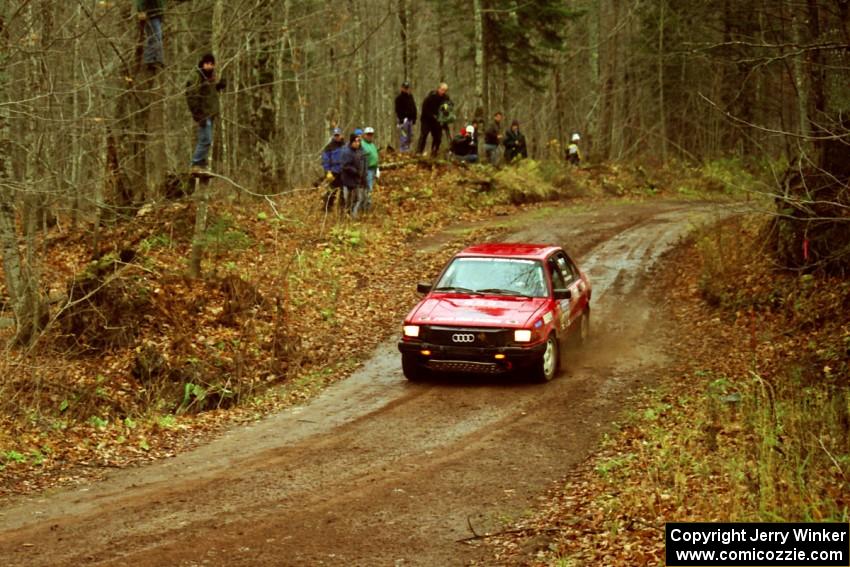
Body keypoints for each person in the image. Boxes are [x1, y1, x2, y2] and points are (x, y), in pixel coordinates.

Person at [186, 53, 226, 174]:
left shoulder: (210, 76)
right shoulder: (196, 76)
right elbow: (191, 95)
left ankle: (201, 165)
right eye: (207, 63)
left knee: (206, 139)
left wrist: (219, 86)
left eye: (212, 64)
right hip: (203, 114)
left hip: (211, 113)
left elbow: (210, 92)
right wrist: (198, 114)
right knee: (206, 139)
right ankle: (195, 163)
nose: (210, 66)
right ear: (202, 64)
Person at [416, 83, 450, 156]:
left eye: (445, 90)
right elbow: (425, 108)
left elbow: (446, 109)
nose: (443, 92)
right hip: (427, 119)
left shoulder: (446, 99)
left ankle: (434, 152)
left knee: (438, 137)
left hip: (437, 121)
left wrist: (444, 118)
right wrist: (432, 116)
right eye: (442, 90)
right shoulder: (431, 97)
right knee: (424, 134)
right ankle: (419, 152)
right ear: (439, 89)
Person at [340, 133, 366, 218]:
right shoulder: (347, 152)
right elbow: (345, 165)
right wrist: (355, 171)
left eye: (359, 141)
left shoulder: (357, 152)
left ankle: (349, 214)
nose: (358, 143)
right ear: (352, 142)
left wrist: (361, 173)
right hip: (348, 179)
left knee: (356, 198)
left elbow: (361, 163)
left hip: (356, 179)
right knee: (352, 198)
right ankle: (347, 214)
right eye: (356, 141)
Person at [321, 127, 345, 211]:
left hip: (343, 171)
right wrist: (328, 171)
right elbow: (325, 160)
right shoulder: (329, 147)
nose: (337, 137)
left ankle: (342, 208)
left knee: (343, 191)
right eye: (336, 135)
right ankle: (327, 207)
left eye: (338, 135)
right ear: (333, 136)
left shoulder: (345, 145)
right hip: (334, 172)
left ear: (341, 135)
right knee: (331, 191)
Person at [136, 0, 165, 68]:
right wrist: (141, 10)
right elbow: (140, 2)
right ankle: (152, 60)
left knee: (155, 37)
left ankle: (155, 59)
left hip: (157, 15)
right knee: (155, 37)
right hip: (151, 15)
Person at [360, 126, 379, 212]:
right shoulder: (362, 144)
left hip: (373, 169)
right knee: (367, 189)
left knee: (370, 189)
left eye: (371, 134)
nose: (370, 136)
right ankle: (365, 208)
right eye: (368, 134)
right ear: (364, 135)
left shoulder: (372, 145)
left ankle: (367, 207)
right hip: (366, 170)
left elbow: (376, 157)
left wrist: (377, 169)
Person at [394, 81, 416, 153]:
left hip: (410, 120)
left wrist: (414, 117)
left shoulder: (410, 97)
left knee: (410, 136)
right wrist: (401, 119)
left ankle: (408, 150)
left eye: (407, 88)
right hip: (403, 120)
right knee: (404, 136)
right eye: (404, 88)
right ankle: (403, 151)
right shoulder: (399, 98)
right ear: (402, 88)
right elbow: (397, 110)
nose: (406, 89)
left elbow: (413, 107)